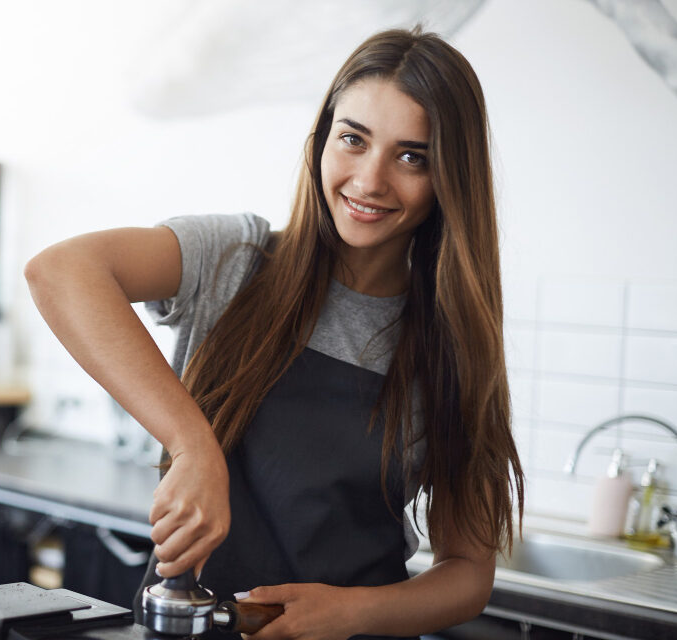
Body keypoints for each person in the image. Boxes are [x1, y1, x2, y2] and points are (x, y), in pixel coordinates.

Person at [26, 26, 524, 640]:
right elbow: (60, 271)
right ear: (322, 141)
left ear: (450, 177)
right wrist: (192, 444)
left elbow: (468, 572)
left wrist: (353, 613)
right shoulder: (235, 260)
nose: (369, 180)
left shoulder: (451, 346)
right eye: (353, 140)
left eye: (411, 156)